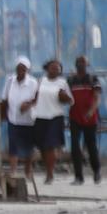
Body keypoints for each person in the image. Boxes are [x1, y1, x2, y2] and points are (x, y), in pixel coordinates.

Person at [31, 59, 73, 184]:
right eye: (53, 68)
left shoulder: (63, 82)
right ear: (47, 68)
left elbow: (70, 100)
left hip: (55, 117)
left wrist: (64, 97)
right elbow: (34, 97)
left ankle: (50, 174)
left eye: (58, 68)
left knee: (50, 146)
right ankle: (48, 169)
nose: (56, 70)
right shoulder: (40, 81)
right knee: (42, 147)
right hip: (40, 116)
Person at [0, 56, 38, 178]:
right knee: (13, 146)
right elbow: (4, 99)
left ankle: (28, 170)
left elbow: (37, 99)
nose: (21, 70)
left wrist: (28, 105)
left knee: (28, 147)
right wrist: (2, 115)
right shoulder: (10, 80)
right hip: (13, 118)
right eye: (19, 68)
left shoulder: (33, 83)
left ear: (27, 70)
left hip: (28, 120)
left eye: (24, 68)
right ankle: (13, 170)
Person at [67, 55, 101, 184]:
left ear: (87, 65)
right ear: (76, 64)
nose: (81, 64)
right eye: (79, 62)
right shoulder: (71, 80)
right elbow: (65, 95)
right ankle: (78, 177)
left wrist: (91, 111)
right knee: (75, 147)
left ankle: (96, 171)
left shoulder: (93, 79)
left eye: (83, 62)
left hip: (89, 118)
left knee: (91, 146)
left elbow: (97, 97)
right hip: (75, 117)